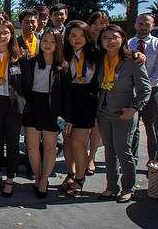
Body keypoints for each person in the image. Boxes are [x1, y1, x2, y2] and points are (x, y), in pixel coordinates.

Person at [96, 25, 151, 203]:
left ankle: (128, 187)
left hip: (124, 113)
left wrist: (134, 108)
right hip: (104, 112)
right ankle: (112, 187)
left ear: (122, 39)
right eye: (105, 38)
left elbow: (145, 89)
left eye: (114, 37)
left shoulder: (132, 61)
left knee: (124, 151)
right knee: (109, 150)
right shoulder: (100, 59)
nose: (110, 41)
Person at [0, 19, 31, 198]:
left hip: (13, 105)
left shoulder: (20, 56)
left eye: (5, 33)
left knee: (11, 144)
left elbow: (26, 83)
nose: (2, 36)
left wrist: (20, 100)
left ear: (12, 35)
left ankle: (10, 178)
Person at [24, 28, 71, 199]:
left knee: (51, 147)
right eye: (45, 41)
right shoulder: (31, 62)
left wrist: (66, 117)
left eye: (53, 42)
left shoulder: (64, 67)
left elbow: (67, 95)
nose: (48, 45)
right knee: (32, 146)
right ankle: (37, 177)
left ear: (58, 44)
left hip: (52, 110)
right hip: (33, 107)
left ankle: (44, 180)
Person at [61, 20, 100, 195]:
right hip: (66, 101)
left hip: (86, 100)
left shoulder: (96, 54)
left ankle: (80, 178)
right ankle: (70, 173)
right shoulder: (62, 54)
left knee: (78, 143)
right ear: (67, 37)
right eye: (73, 35)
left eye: (81, 35)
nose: (77, 39)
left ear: (87, 36)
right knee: (67, 141)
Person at [128, 13, 158, 163]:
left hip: (153, 92)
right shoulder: (128, 45)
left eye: (147, 24)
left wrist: (144, 89)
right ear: (135, 25)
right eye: (140, 24)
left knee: (153, 129)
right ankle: (131, 159)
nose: (143, 27)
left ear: (152, 26)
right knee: (132, 129)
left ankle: (154, 162)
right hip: (132, 92)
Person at [85, 11, 110, 175]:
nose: (98, 27)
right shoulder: (84, 43)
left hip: (104, 91)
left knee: (96, 126)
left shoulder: (110, 44)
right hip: (84, 90)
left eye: (102, 23)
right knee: (84, 126)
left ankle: (91, 157)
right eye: (95, 23)